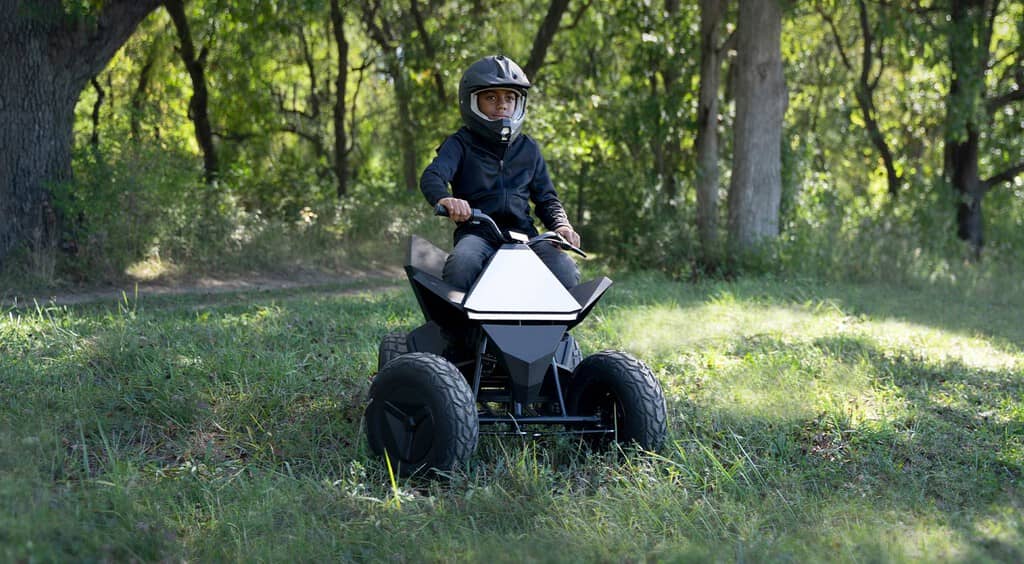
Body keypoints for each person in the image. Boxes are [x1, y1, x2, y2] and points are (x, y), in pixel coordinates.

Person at [420, 54, 581, 292]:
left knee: (565, 271)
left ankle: (551, 328)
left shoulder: (529, 148)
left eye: (510, 97)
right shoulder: (459, 143)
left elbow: (547, 198)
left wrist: (561, 225)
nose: (502, 104)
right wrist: (446, 199)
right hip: (478, 233)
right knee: (462, 264)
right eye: (491, 97)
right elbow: (432, 175)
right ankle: (458, 327)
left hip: (526, 236)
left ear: (519, 103)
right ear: (472, 101)